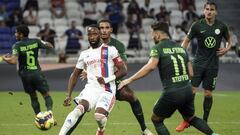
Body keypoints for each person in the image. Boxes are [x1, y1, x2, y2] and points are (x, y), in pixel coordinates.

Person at [118, 21, 219, 135]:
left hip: (172, 92)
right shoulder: (180, 48)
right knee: (190, 118)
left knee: (156, 120)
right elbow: (191, 73)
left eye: (152, 34)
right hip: (187, 90)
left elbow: (151, 67)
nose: (152, 37)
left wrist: (129, 79)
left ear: (158, 35)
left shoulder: (158, 48)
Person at [78, 19, 153, 135]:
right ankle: (97, 128)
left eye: (106, 28)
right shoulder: (93, 44)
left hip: (113, 81)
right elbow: (91, 61)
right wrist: (87, 70)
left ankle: (144, 129)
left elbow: (123, 68)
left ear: (111, 30)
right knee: (81, 108)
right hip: (96, 84)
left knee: (132, 97)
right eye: (101, 28)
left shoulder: (118, 46)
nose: (104, 30)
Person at [58, 24, 127, 135]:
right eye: (89, 34)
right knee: (77, 110)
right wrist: (68, 95)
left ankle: (101, 130)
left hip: (107, 90)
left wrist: (107, 79)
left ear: (99, 34)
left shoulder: (110, 50)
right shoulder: (84, 54)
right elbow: (75, 74)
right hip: (91, 89)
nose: (92, 37)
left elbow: (123, 70)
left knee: (99, 117)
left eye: (95, 34)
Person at [176, 1, 232, 132]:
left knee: (208, 94)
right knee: (191, 92)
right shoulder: (197, 25)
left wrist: (227, 48)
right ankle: (186, 119)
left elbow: (230, 40)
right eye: (207, 9)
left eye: (212, 9)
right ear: (203, 10)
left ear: (216, 12)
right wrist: (180, 54)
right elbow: (186, 42)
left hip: (213, 66)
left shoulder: (221, 26)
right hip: (198, 64)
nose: (209, 11)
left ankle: (204, 122)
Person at [1, 24, 56, 123]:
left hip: (25, 75)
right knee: (46, 94)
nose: (15, 34)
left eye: (16, 32)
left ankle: (39, 117)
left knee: (33, 96)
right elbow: (50, 46)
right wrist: (42, 42)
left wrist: (4, 58)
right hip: (36, 73)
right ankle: (50, 115)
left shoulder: (17, 45)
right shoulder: (35, 41)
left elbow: (13, 61)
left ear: (21, 34)